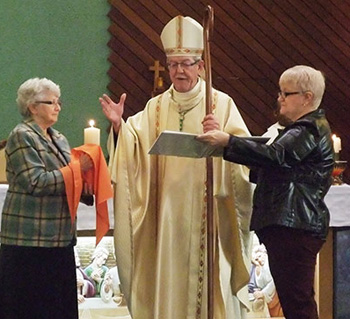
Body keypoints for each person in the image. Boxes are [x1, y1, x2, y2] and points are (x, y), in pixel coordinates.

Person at [99, 15, 254, 319]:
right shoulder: (155, 108)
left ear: (201, 65)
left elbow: (245, 159)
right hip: (166, 218)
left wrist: (223, 138)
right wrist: (119, 127)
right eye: (174, 64)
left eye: (186, 63)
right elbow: (133, 150)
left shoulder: (221, 105)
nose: (179, 70)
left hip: (209, 216)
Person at [197, 65, 334, 319]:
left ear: (307, 97)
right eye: (280, 92)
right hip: (291, 225)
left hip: (295, 225)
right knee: (295, 300)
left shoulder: (309, 129)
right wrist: (228, 142)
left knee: (297, 303)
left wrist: (228, 141)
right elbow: (272, 165)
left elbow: (276, 155)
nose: (279, 98)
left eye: (286, 93)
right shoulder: (302, 129)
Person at [0, 77, 93, 319]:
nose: (58, 107)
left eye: (58, 102)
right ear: (32, 106)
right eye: (51, 102)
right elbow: (35, 182)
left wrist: (89, 186)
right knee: (32, 308)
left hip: (59, 238)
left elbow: (66, 180)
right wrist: (77, 170)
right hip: (30, 241)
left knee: (57, 308)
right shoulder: (22, 136)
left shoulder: (59, 138)